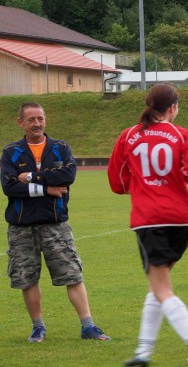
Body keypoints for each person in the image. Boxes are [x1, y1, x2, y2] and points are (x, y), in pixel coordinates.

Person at [108, 84, 188, 367]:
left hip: (150, 220)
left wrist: (142, 186)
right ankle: (143, 351)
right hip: (183, 221)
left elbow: (117, 182)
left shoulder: (129, 135)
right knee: (158, 284)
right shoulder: (182, 135)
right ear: (172, 107)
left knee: (161, 288)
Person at [3, 102, 110, 343]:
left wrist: (32, 177)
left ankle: (88, 326)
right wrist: (47, 189)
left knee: (72, 274)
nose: (37, 123)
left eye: (40, 118)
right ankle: (38, 328)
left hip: (55, 225)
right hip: (21, 228)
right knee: (27, 279)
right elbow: (9, 187)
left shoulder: (60, 148)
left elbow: (68, 176)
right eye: (31, 119)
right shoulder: (11, 152)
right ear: (21, 123)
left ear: (45, 120)